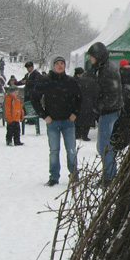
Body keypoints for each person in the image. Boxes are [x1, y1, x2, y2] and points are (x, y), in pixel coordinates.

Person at [32, 56, 81, 186]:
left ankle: (74, 174)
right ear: (53, 66)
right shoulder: (46, 81)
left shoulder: (71, 81)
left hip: (68, 122)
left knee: (71, 149)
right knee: (54, 150)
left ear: (65, 66)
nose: (60, 66)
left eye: (62, 63)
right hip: (52, 121)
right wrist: (43, 115)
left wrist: (75, 112)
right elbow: (34, 99)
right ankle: (54, 177)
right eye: (57, 63)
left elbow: (80, 98)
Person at [87, 42, 124, 184]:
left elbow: (112, 94)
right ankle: (111, 172)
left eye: (92, 57)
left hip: (109, 111)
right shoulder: (105, 67)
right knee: (104, 144)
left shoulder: (107, 70)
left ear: (98, 56)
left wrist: (99, 106)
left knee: (103, 144)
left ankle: (109, 175)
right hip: (111, 110)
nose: (91, 59)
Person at [111, 59, 130, 151]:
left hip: (120, 101)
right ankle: (127, 137)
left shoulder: (118, 73)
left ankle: (117, 139)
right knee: (129, 120)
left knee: (119, 120)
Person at [73, 67, 98, 141]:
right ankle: (84, 135)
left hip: (80, 102)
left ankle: (77, 134)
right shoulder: (94, 81)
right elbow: (96, 93)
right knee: (87, 119)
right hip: (89, 103)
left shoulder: (80, 81)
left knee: (78, 118)